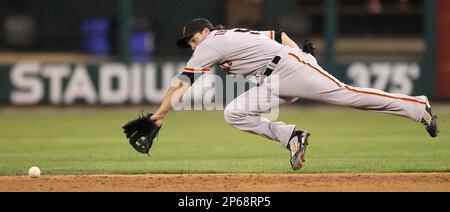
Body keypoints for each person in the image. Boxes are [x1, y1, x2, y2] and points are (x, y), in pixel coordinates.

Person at [149, 18, 438, 171]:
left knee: (347, 96)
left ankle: (417, 107)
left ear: (206, 31)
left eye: (194, 37)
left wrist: (158, 116)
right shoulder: (227, 37)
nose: (192, 44)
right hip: (275, 78)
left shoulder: (210, 43)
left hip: (289, 68)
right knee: (234, 113)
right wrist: (300, 51)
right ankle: (291, 138)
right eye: (188, 42)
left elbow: (182, 83)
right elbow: (277, 34)